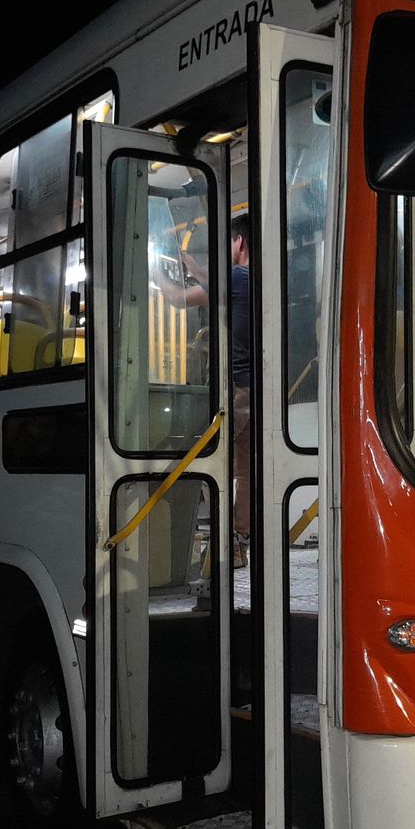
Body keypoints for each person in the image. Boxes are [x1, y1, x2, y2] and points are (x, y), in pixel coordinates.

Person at [153, 214, 253, 566]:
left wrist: (153, 271)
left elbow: (178, 299)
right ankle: (239, 542)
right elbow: (219, 284)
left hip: (235, 392)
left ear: (239, 242)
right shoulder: (255, 279)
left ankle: (225, 542)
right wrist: (195, 269)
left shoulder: (238, 277)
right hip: (255, 391)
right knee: (245, 470)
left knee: (210, 465)